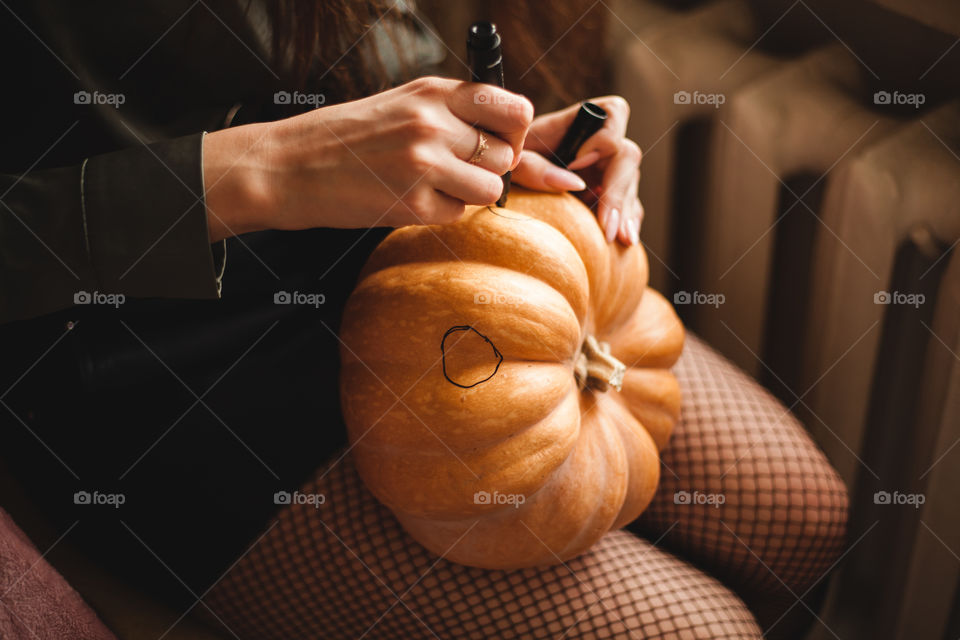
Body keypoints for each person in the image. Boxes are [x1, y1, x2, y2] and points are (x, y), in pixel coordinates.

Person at [0, 1, 847, 638]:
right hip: (151, 360)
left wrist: (488, 139)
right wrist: (266, 168)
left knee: (803, 520)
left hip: (391, 236)